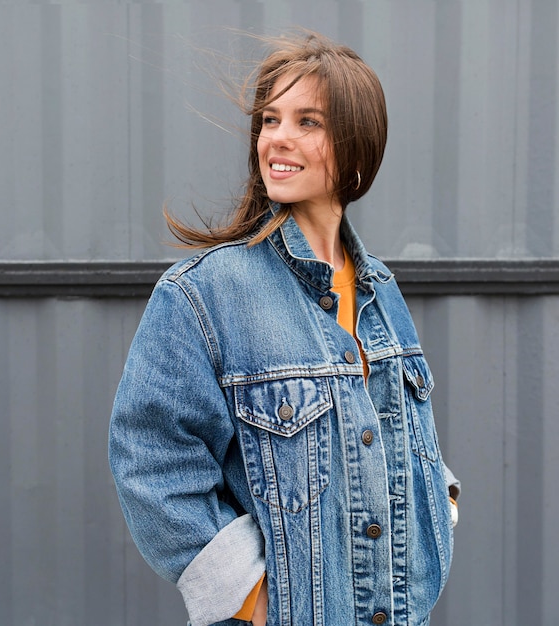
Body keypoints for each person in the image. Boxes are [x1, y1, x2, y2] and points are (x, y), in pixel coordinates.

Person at [109, 31, 460, 626]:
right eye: (270, 120)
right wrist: (251, 598)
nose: (278, 138)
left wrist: (441, 509)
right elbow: (151, 459)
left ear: (356, 146)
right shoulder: (203, 292)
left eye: (308, 122)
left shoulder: (381, 288)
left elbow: (409, 438)